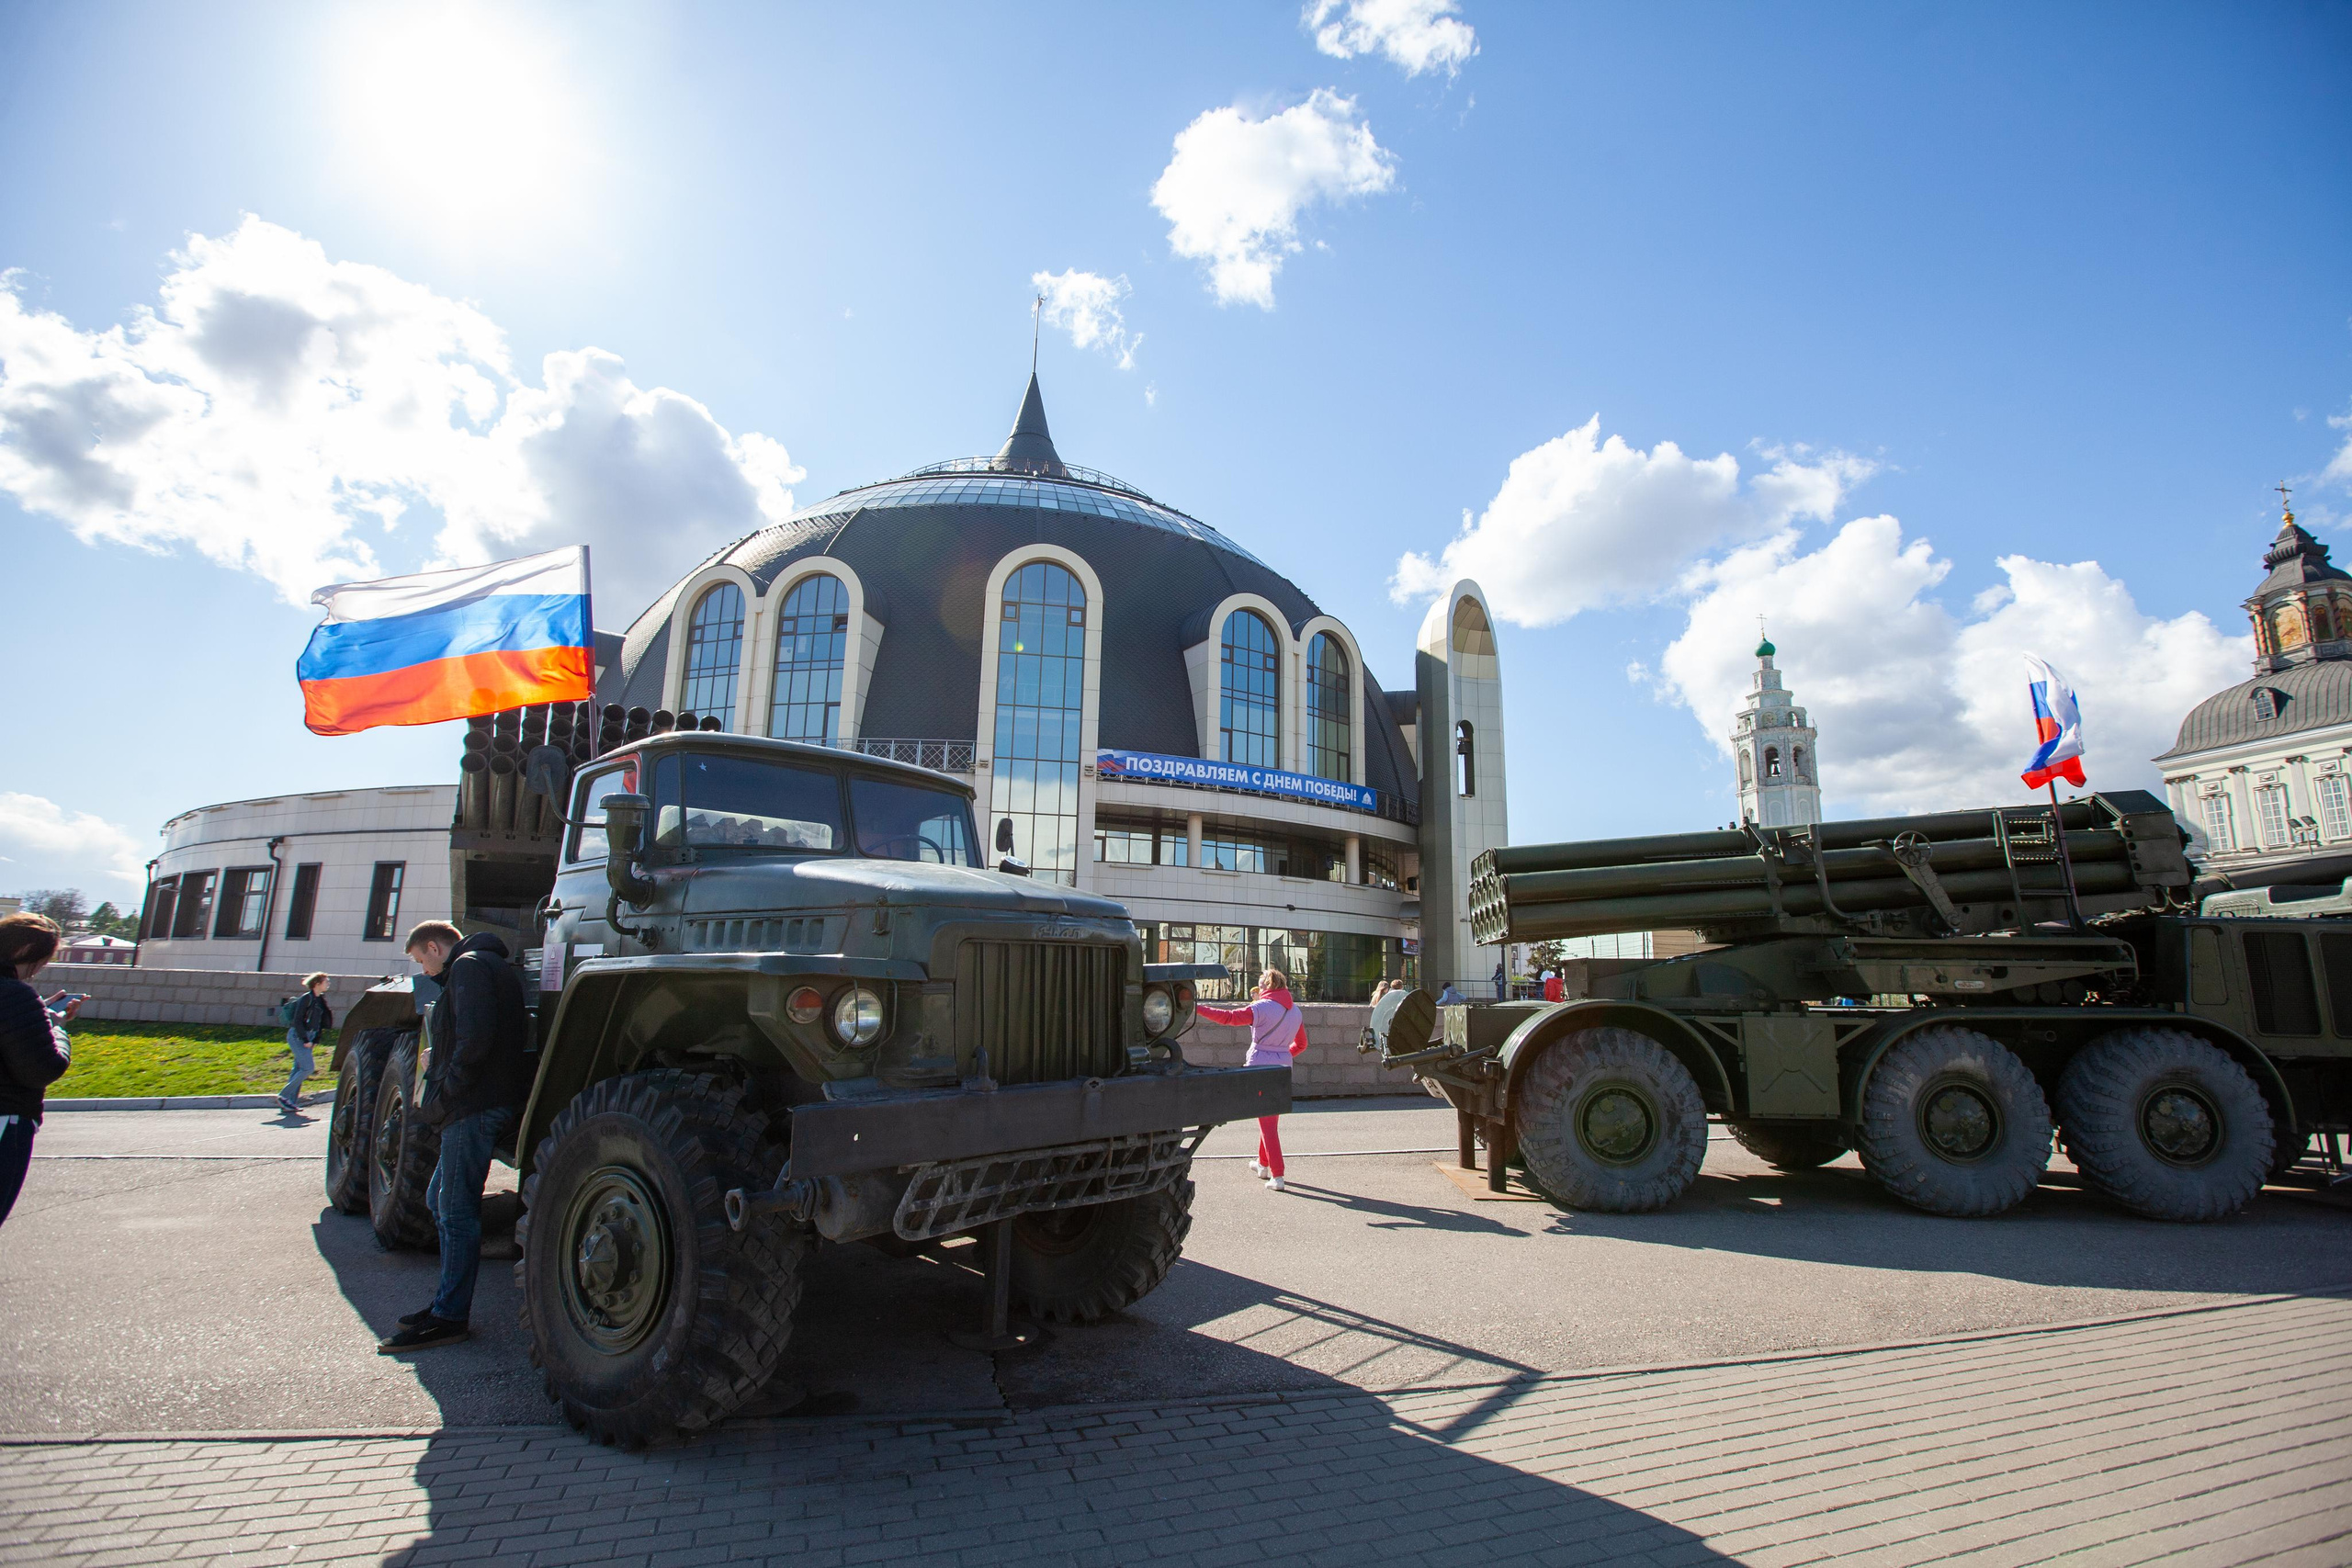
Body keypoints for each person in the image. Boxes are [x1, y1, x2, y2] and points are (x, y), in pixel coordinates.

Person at [378, 920, 532, 1354]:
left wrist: (445, 1094)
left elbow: (476, 1040)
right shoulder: (485, 965)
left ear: (433, 946)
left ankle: (449, 1316)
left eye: (420, 960)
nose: (423, 970)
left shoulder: (468, 967)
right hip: (478, 1102)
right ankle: (446, 1302)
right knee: (439, 1200)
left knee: (456, 1209)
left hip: (472, 1106)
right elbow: (478, 1035)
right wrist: (441, 1055)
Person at [0, 913, 80, 1229]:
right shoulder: (14, 994)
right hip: (6, 1120)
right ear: (25, 951)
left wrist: (34, 1015)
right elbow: (41, 1070)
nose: (39, 970)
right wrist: (57, 1029)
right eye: (43, 960)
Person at [1196, 969, 1306, 1192]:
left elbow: (1229, 1018)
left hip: (1259, 1067)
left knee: (1267, 1122)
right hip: (1283, 1067)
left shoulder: (1261, 1008)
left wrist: (1197, 1008)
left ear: (1268, 985)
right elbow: (1302, 1044)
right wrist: (1282, 1055)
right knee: (1269, 1117)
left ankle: (1278, 1175)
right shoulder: (1295, 1011)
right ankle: (1262, 1164)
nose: (1257, 988)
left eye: (1260, 984)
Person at [277, 972, 333, 1114]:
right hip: (298, 1036)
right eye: (326, 981)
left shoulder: (320, 999)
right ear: (317, 984)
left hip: (310, 1036)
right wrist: (305, 1040)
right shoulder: (306, 998)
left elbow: (320, 1022)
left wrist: (315, 1039)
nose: (328, 984)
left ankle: (290, 1102)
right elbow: (297, 1021)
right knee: (308, 1068)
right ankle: (284, 1096)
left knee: (298, 1069)